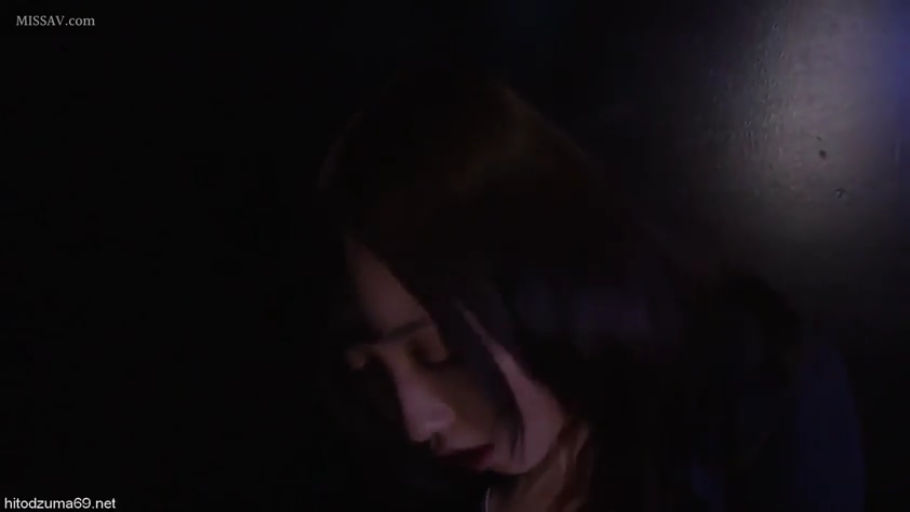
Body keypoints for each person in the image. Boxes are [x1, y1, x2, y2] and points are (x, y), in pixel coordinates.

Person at [310, 66, 865, 512]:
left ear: (548, 287)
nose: (418, 422)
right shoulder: (401, 465)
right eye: (376, 370)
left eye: (442, 354)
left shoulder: (765, 400)